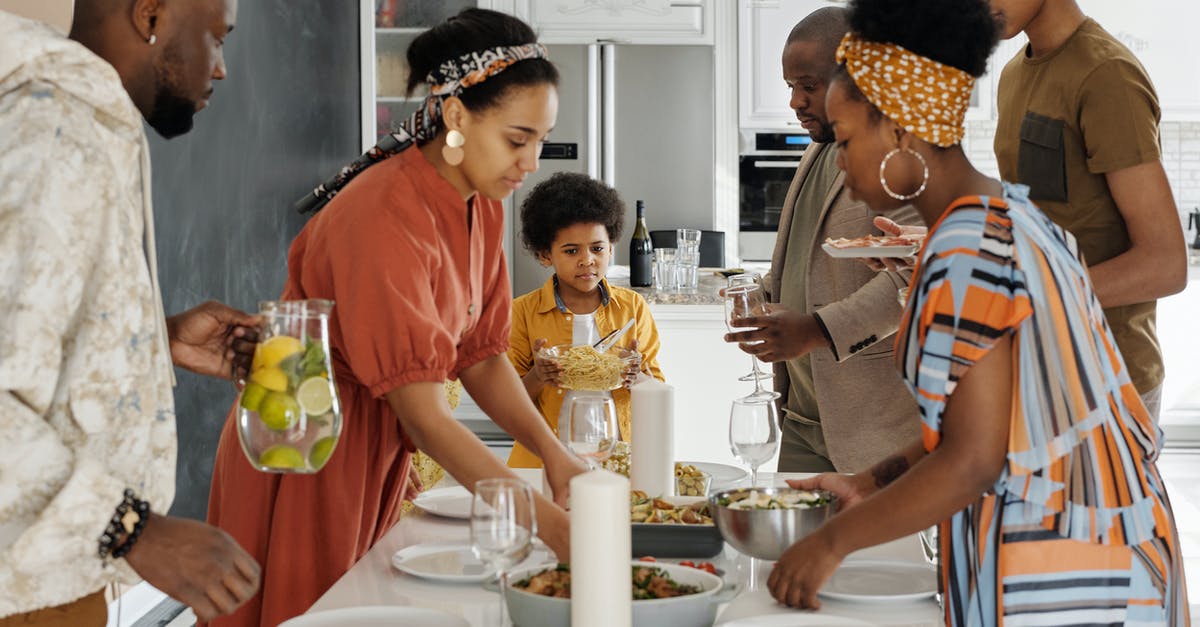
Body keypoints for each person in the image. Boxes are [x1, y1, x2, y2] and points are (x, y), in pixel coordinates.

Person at [768, 0, 1190, 623]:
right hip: (1108, 543)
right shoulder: (1010, 216)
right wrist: (870, 483)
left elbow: (973, 461)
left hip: (1062, 573)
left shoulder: (966, 250)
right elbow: (987, 420)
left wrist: (830, 543)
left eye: (849, 140)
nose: (846, 174)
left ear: (900, 135)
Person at [205, 9, 587, 626]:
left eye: (541, 140)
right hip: (309, 442)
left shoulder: (481, 201)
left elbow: (482, 356)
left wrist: (552, 452)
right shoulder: (382, 212)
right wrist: (551, 528)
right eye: (518, 139)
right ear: (458, 116)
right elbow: (425, 415)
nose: (532, 162)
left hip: (374, 445)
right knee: (312, 614)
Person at [0, 2, 263, 625]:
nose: (221, 69)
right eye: (217, 38)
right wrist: (133, 529)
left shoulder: (67, 122)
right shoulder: (53, 136)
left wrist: (146, 342)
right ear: (151, 13)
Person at [723, 7, 919, 473]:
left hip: (873, 428)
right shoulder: (820, 149)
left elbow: (915, 276)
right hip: (801, 418)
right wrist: (761, 297)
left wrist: (815, 330)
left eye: (808, 86)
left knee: (881, 550)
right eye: (790, 86)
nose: (795, 101)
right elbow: (806, 260)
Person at [991, 0, 1188, 420]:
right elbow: (1042, 216)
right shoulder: (1012, 74)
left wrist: (1029, 294)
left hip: (1108, 382)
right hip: (1039, 365)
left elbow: (1166, 265)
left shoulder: (1106, 74)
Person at [506, 172, 665, 467]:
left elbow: (657, 388)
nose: (587, 260)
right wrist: (538, 376)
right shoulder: (522, 312)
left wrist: (636, 377)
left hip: (617, 459)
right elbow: (507, 403)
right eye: (571, 251)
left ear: (611, 248)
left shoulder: (632, 307)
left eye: (597, 248)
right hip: (543, 462)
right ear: (545, 255)